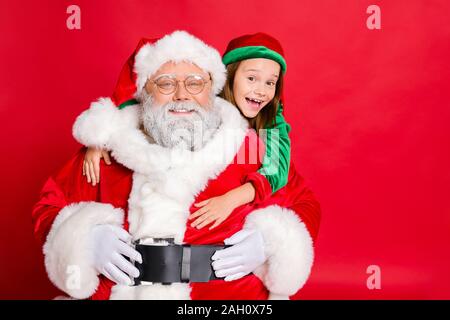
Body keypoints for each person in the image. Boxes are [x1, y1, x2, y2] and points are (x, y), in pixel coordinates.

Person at [32, 31, 319, 300]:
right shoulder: (106, 151)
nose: (182, 95)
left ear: (212, 89)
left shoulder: (253, 147)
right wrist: (83, 240)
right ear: (144, 90)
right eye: (166, 83)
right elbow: (49, 206)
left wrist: (271, 242)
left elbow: (304, 203)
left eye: (195, 83)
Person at [82, 32, 294, 232]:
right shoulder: (206, 96)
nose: (261, 90)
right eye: (251, 78)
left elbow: (276, 172)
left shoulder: (271, 122)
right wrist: (99, 137)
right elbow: (140, 102)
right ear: (228, 76)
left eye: (270, 83)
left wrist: (230, 200)